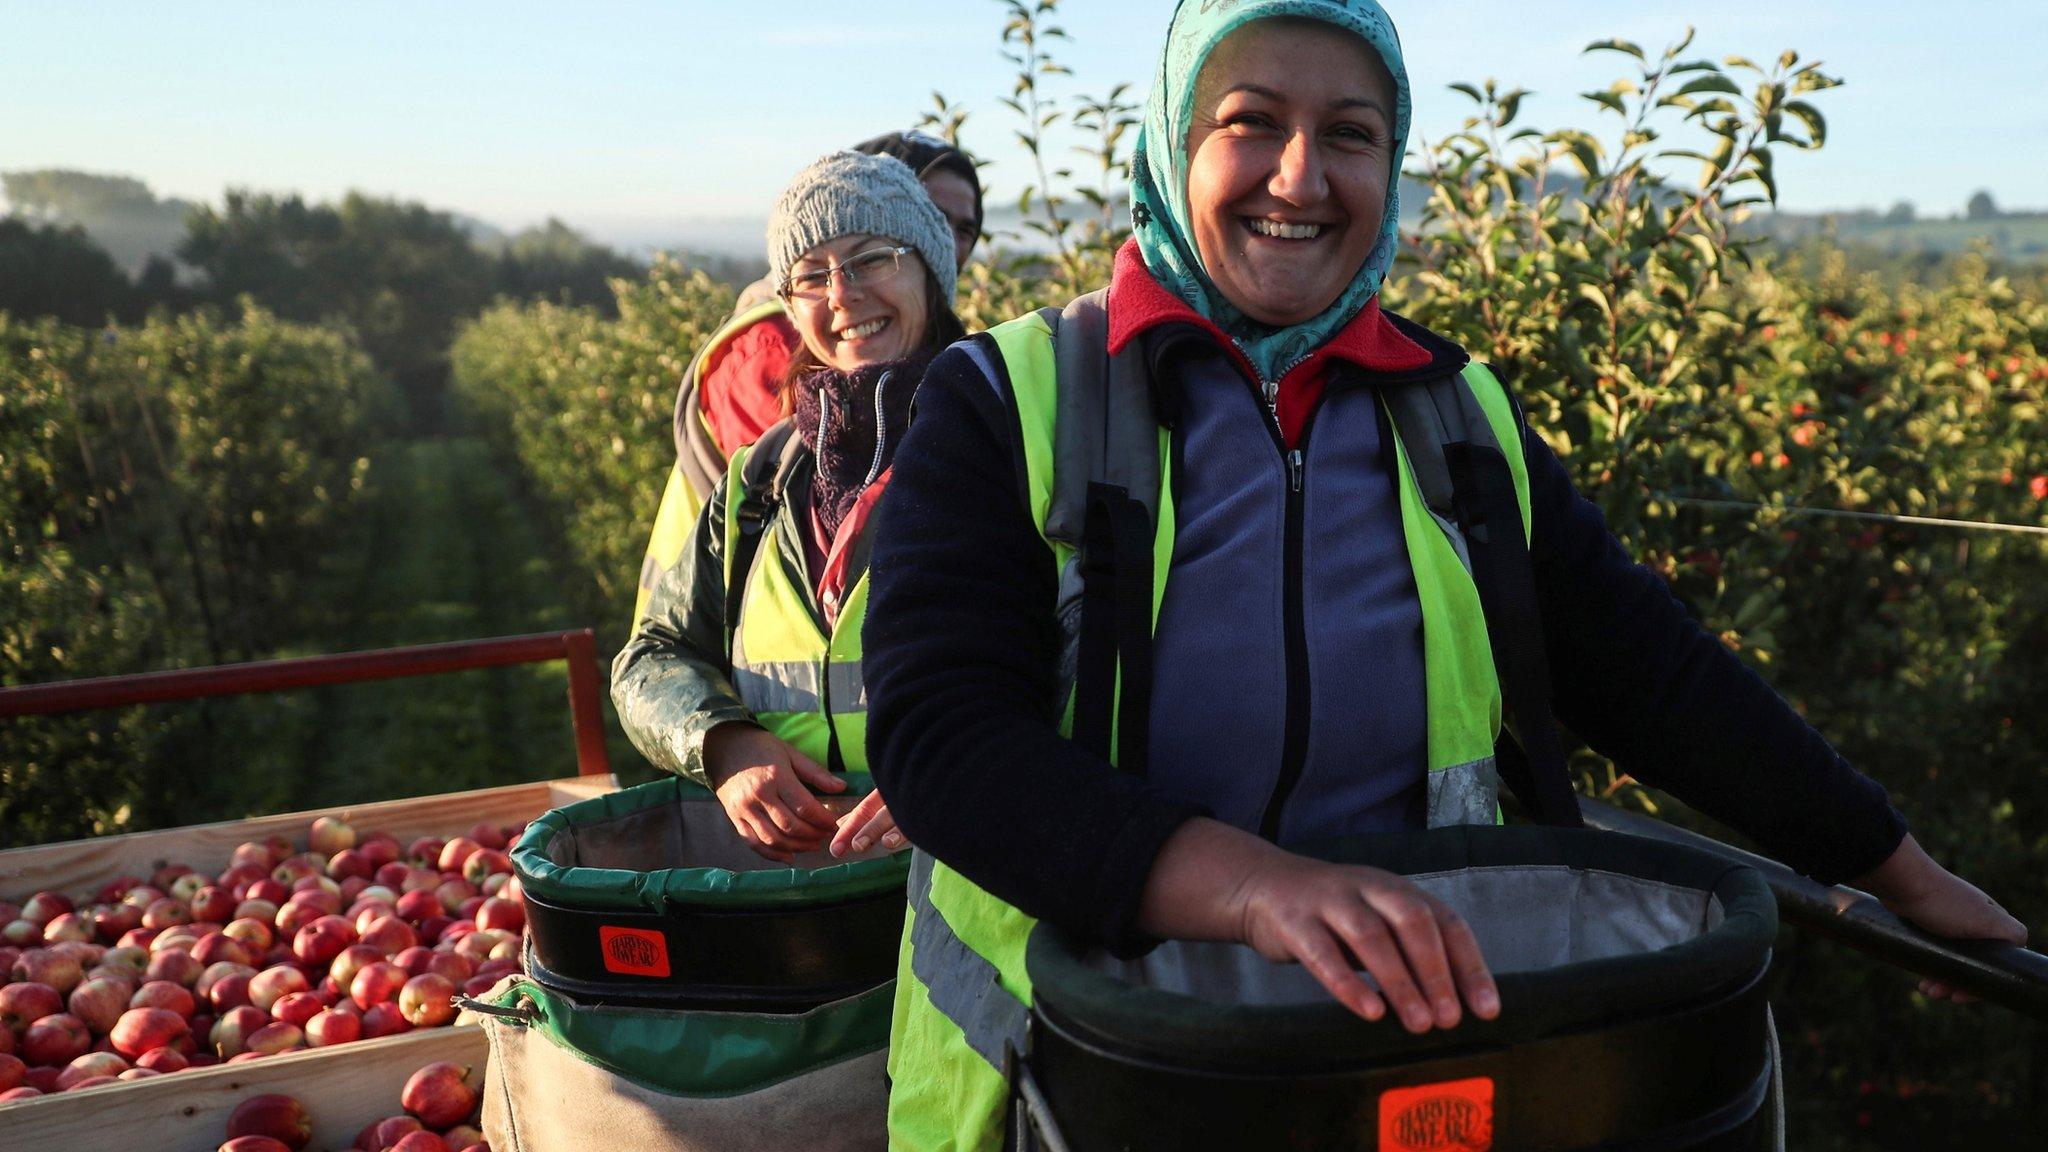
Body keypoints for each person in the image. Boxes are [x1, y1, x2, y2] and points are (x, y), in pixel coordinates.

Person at [859, 2, 2030, 1149]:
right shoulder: (1007, 400)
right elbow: (941, 739)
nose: (1301, 175)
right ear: (1172, 142)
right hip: (1091, 1073)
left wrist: (1893, 868)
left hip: (1399, 1066)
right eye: (1250, 120)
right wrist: (1256, 889)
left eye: (1352, 133)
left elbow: (1650, 674)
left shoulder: (1453, 416)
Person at [614, 150, 965, 864]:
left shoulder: (1010, 449)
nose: (842, 294)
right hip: (804, 910)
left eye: (872, 258)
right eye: (811, 274)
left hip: (976, 885)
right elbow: (649, 658)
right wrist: (723, 743)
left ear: (928, 270)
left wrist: (967, 776)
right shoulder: (761, 482)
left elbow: (1088, 670)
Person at [633, 131, 983, 623]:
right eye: (933, 214)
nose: (841, 292)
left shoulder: (989, 411)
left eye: (965, 228)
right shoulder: (770, 360)